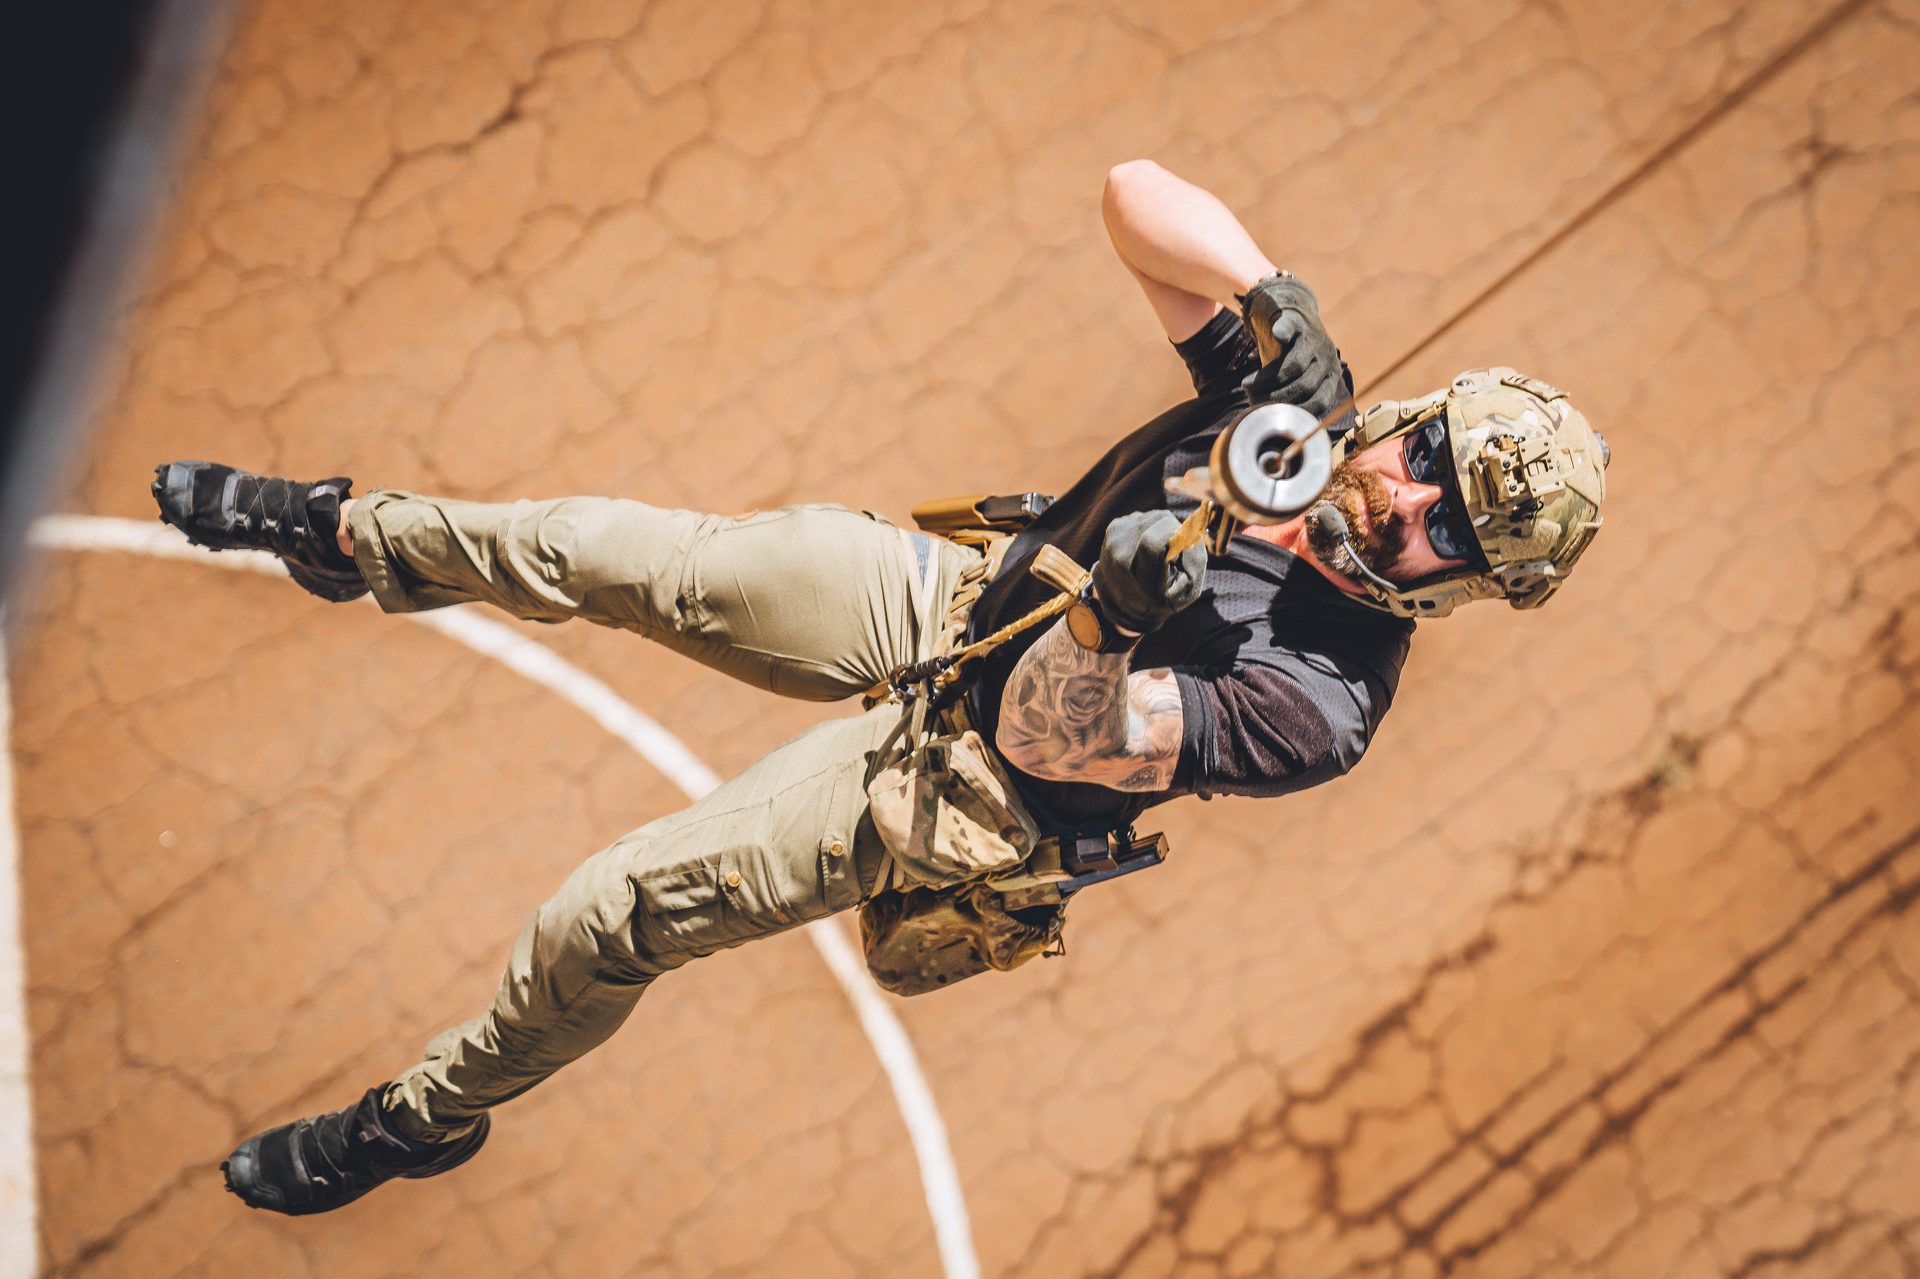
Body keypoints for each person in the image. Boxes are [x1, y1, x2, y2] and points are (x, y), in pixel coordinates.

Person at [149, 160, 1608, 1216]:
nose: (1413, 500)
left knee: (608, 915)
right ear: (1416, 419)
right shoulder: (1293, 418)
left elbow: (1054, 736)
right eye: (1433, 458)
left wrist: (1113, 619)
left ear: (1462, 587)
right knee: (601, 551)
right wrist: (1271, 294)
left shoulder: (1321, 701)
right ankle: (351, 537)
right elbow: (1132, 196)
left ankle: (423, 1120)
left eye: (1455, 531)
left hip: (966, 783)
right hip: (963, 600)